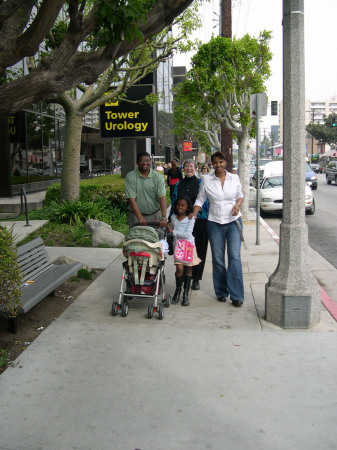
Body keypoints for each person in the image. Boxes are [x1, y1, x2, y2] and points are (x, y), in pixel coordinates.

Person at [192, 151, 245, 307]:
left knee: (234, 258)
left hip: (234, 222)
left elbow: (240, 195)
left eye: (221, 162)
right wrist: (193, 214)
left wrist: (237, 205)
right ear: (211, 164)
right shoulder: (207, 179)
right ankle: (221, 292)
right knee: (218, 259)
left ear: (225, 162)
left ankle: (237, 296)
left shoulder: (234, 178)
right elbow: (200, 199)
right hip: (214, 223)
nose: (218, 165)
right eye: (215, 162)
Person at [169, 159, 209, 291]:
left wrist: (197, 214)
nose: (189, 168)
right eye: (186, 166)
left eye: (191, 166)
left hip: (199, 220)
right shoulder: (178, 184)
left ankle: (196, 278)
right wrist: (171, 219)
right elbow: (174, 202)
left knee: (199, 250)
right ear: (183, 169)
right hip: (182, 222)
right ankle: (186, 277)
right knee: (182, 249)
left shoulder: (201, 183)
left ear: (196, 168)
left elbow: (206, 202)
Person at [167, 196, 201, 306]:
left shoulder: (190, 218)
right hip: (178, 247)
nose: (180, 207)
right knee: (179, 268)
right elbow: (170, 229)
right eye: (178, 205)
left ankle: (185, 293)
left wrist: (173, 232)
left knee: (188, 269)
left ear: (187, 208)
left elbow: (187, 234)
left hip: (188, 246)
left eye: (183, 205)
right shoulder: (173, 217)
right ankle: (178, 289)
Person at [124, 152, 167, 229]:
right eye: (141, 161)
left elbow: (162, 197)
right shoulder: (130, 177)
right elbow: (131, 198)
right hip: (136, 217)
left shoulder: (158, 177)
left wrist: (164, 217)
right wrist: (139, 217)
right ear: (137, 162)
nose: (144, 163)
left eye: (147, 160)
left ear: (150, 162)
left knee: (156, 239)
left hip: (155, 216)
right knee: (136, 240)